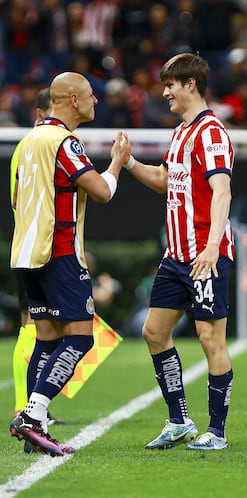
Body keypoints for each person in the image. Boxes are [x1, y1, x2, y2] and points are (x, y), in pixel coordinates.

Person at [9, 71, 130, 456]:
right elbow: (102, 192)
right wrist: (117, 162)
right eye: (91, 96)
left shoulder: (27, 141)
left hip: (27, 253)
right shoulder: (64, 141)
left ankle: (36, 429)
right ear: (73, 101)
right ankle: (33, 415)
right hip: (58, 250)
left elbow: (15, 198)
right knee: (79, 337)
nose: (96, 101)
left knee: (45, 339)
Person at [123, 52, 235, 450]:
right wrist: (129, 162)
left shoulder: (211, 132)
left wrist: (211, 247)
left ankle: (217, 432)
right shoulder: (180, 133)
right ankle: (179, 421)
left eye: (170, 84)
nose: (165, 91)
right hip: (176, 256)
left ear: (191, 84)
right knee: (154, 332)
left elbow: (222, 191)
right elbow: (165, 180)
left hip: (206, 254)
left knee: (210, 339)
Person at [10, 88, 66, 433]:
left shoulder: (35, 144)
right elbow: (19, 198)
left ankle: (36, 407)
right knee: (31, 329)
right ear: (39, 114)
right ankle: (25, 405)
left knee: (46, 331)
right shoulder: (32, 144)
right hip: (34, 246)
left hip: (35, 245)